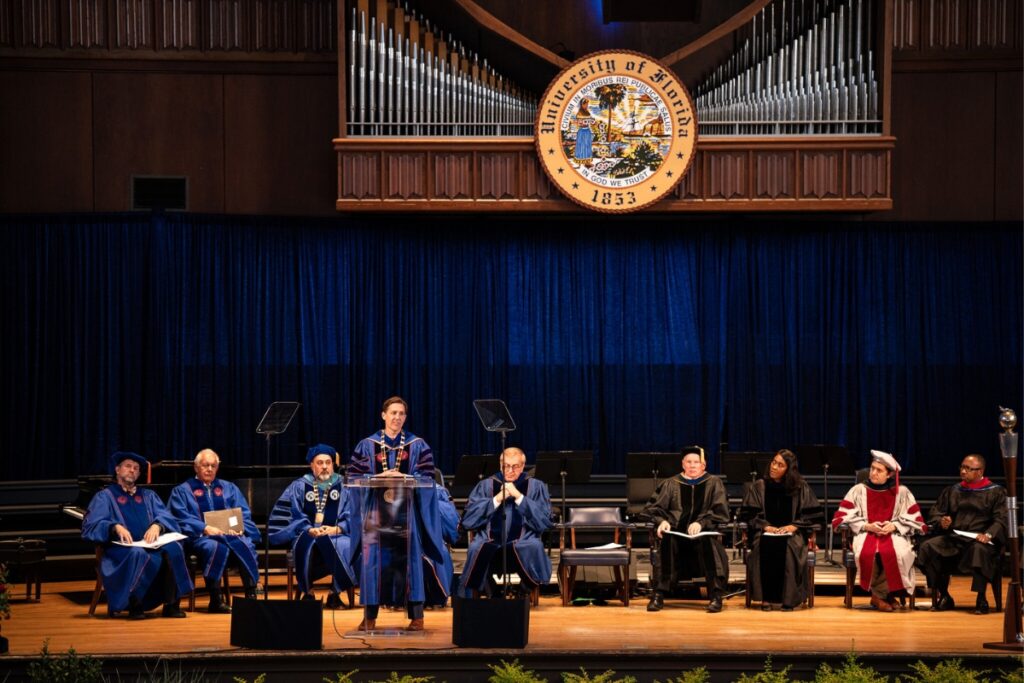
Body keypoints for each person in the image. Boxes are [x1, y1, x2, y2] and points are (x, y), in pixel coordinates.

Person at [349, 396, 450, 631]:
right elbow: (353, 478)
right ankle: (370, 617)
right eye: (393, 413)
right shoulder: (367, 445)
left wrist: (408, 478)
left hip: (408, 517)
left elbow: (427, 478)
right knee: (373, 563)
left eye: (401, 414)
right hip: (376, 516)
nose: (397, 417)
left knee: (411, 563)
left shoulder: (418, 445)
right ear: (383, 415)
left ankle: (417, 617)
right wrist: (375, 478)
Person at [81, 451, 193, 619]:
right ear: (118, 470)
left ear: (139, 473)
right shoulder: (105, 497)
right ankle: (135, 604)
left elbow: (168, 517)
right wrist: (114, 526)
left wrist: (158, 525)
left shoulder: (149, 496)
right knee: (138, 553)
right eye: (128, 466)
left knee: (174, 547)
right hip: (120, 550)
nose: (132, 470)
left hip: (150, 544)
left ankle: (171, 604)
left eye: (136, 468)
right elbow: (91, 526)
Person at [831, 450, 927, 612]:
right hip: (866, 532)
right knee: (868, 553)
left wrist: (895, 525)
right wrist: (866, 526)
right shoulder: (858, 490)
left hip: (895, 534)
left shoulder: (902, 492)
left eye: (879, 470)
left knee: (899, 554)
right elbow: (842, 516)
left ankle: (878, 596)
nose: (873, 473)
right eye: (872, 468)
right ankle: (885, 595)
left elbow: (916, 519)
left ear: (889, 474)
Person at [168, 448, 260, 612]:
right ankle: (215, 599)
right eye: (205, 465)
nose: (209, 469)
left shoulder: (229, 488)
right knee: (215, 547)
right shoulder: (183, 491)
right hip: (199, 538)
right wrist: (204, 528)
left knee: (246, 543)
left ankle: (251, 595)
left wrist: (238, 528)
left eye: (213, 465)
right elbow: (180, 517)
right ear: (196, 467)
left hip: (229, 535)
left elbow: (243, 512)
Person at [268, 444, 356, 608]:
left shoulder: (345, 486)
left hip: (336, 533)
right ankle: (308, 592)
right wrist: (308, 528)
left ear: (333, 464)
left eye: (328, 462)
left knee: (346, 545)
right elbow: (291, 514)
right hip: (307, 532)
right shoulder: (299, 486)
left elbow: (353, 513)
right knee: (307, 545)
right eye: (320, 462)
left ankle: (334, 593)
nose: (324, 467)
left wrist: (337, 528)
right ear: (311, 465)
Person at [916, 454, 1007, 614]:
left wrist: (988, 535)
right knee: (927, 547)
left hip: (981, 541)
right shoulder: (953, 490)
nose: (963, 471)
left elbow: (1001, 519)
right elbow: (936, 514)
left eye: (968, 468)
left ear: (980, 471)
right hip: (955, 538)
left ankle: (981, 598)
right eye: (962, 467)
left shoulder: (996, 492)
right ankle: (944, 596)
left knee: (979, 550)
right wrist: (941, 522)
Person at [643, 447, 730, 613]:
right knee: (667, 541)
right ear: (682, 464)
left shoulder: (714, 483)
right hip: (676, 532)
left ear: (703, 465)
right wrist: (661, 521)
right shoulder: (671, 483)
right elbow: (654, 508)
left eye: (696, 462)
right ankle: (659, 595)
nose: (692, 465)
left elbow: (720, 511)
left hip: (702, 535)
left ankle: (715, 595)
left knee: (709, 545)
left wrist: (702, 523)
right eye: (688, 462)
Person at [458, 447, 553, 598]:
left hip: (523, 541)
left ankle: (523, 592)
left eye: (515, 466)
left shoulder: (535, 486)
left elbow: (544, 521)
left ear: (522, 466)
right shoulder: (486, 486)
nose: (510, 470)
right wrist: (496, 499)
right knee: (476, 547)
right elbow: (469, 520)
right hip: (489, 540)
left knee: (535, 546)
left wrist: (519, 496)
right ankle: (493, 593)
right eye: (506, 466)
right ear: (500, 465)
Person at [741, 449, 823, 610]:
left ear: (788, 469)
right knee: (763, 546)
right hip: (765, 532)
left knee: (791, 548)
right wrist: (766, 526)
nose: (774, 467)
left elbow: (813, 515)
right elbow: (748, 513)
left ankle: (788, 599)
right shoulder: (759, 486)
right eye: (773, 462)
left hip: (792, 533)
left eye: (780, 465)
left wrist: (794, 526)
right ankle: (766, 598)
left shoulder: (800, 487)